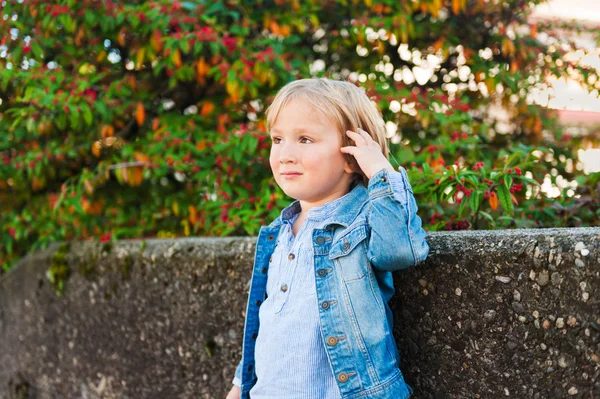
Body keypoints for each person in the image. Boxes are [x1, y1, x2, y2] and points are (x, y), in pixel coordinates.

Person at [225, 78, 429, 399]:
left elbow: (400, 249)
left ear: (351, 157)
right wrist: (239, 388)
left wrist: (379, 172)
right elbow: (265, 327)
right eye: (278, 139)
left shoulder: (360, 223)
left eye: (305, 139)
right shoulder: (276, 235)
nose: (285, 154)